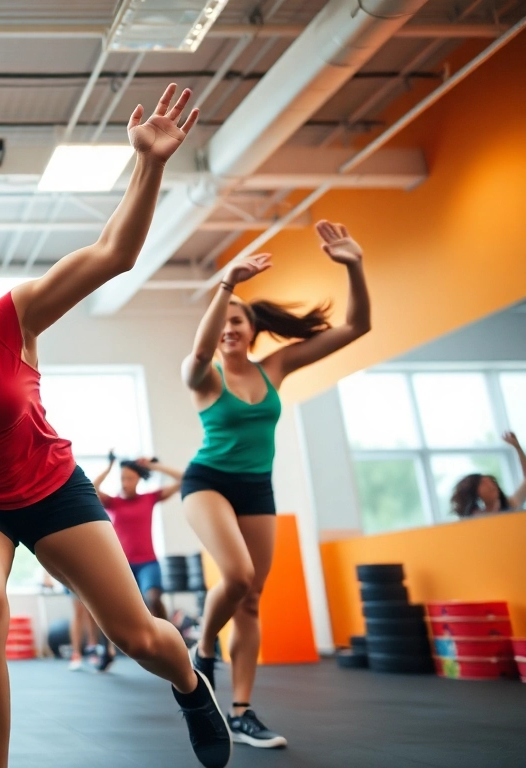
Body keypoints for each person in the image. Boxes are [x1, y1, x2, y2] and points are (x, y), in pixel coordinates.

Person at [0, 97, 231, 768]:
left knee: (139, 638)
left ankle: (189, 683)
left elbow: (115, 253)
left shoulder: (15, 318)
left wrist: (148, 164)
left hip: (50, 488)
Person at [182, 220, 371, 750]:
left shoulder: (277, 367)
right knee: (237, 575)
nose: (229, 329)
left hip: (256, 488)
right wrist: (226, 287)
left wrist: (354, 266)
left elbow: (356, 327)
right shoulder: (204, 376)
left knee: (250, 600)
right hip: (207, 483)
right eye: (222, 322)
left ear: (252, 329)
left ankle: (241, 713)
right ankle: (202, 647)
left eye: (238, 321)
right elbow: (197, 355)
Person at [92, 455, 183, 622]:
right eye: (122, 478)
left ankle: (169, 634)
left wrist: (155, 467)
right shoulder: (113, 502)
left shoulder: (149, 498)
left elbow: (183, 480)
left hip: (148, 562)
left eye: (129, 478)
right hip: (123, 565)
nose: (125, 483)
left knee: (153, 599)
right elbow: (92, 488)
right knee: (127, 612)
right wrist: (109, 467)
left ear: (139, 479)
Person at [451, 432, 526, 518]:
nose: (491, 485)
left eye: (492, 482)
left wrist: (517, 448)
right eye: (484, 483)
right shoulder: (472, 520)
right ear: (473, 491)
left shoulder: (510, 506)